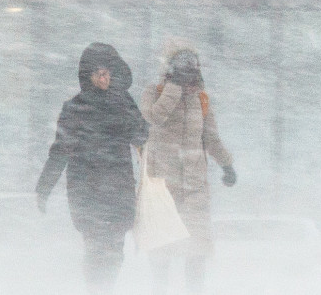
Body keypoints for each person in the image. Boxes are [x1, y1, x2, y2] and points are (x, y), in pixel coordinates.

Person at [36, 42, 149, 294]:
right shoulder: (75, 108)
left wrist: (128, 110)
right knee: (96, 250)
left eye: (108, 72)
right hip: (87, 190)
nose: (104, 77)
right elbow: (60, 150)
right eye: (99, 72)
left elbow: (141, 136)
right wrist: (44, 186)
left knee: (115, 252)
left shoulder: (122, 103)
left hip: (118, 189)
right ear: (88, 76)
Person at [142, 42, 236, 295]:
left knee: (196, 252)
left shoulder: (201, 101)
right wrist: (173, 88)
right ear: (171, 70)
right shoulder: (155, 91)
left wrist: (227, 163)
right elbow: (154, 117)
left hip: (195, 189)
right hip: (163, 186)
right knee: (162, 252)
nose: (190, 76)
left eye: (193, 70)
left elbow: (211, 137)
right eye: (184, 70)